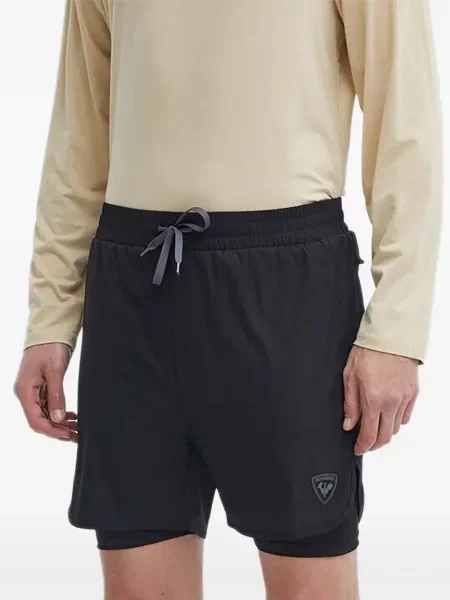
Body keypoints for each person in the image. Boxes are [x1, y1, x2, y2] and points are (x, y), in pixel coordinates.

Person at [14, 1, 442, 599]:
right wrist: (50, 320)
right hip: (134, 286)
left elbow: (407, 124)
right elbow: (79, 137)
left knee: (310, 580)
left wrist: (396, 331)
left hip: (285, 289)